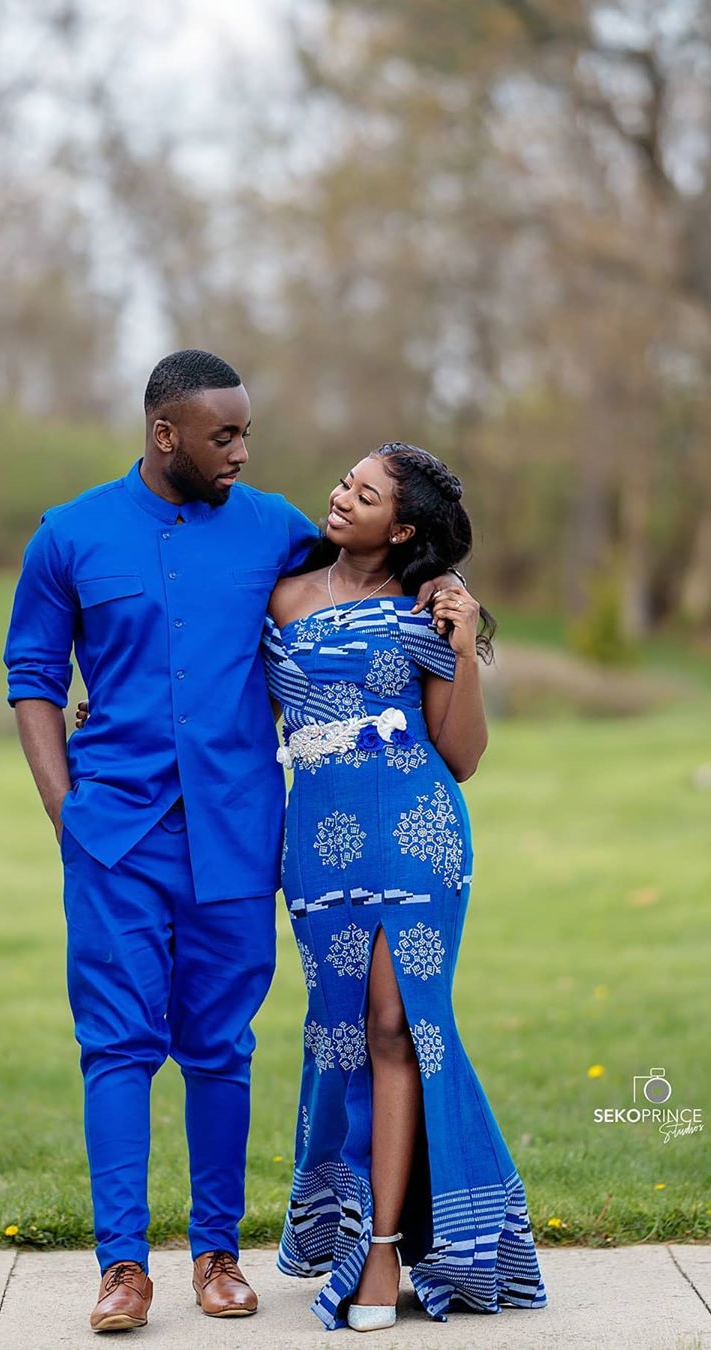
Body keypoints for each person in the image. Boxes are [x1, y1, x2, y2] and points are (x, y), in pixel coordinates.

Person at [2, 351, 461, 1333]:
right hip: (116, 838)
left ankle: (217, 1257)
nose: (242, 452)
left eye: (246, 433)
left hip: (240, 836)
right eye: (224, 437)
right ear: (164, 433)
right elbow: (33, 676)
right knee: (116, 1046)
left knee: (219, 1048)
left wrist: (449, 601)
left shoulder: (276, 531)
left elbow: (374, 571)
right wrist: (64, 810)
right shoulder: (69, 535)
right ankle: (122, 1270)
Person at [262, 442, 548, 1331]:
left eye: (366, 494)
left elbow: (462, 754)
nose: (342, 497)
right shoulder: (282, 595)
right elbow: (230, 712)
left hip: (417, 833)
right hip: (317, 843)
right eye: (346, 482)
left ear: (403, 528)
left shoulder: (431, 603)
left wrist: (462, 646)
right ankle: (376, 1226)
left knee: (397, 1023)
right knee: (341, 1033)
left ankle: (382, 1252)